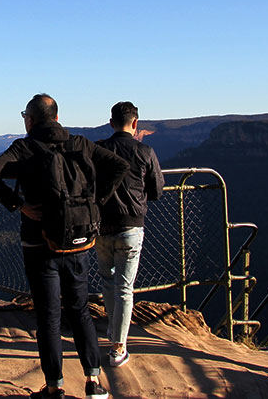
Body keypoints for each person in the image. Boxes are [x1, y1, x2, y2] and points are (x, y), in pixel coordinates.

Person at [0, 94, 129, 399]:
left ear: (30, 120)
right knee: (80, 311)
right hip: (78, 241)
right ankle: (94, 382)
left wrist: (18, 204)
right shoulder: (80, 143)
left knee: (49, 316)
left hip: (39, 242)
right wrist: (94, 203)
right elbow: (119, 165)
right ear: (58, 118)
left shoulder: (24, 147)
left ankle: (54, 387)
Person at [95, 101, 165, 367]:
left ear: (111, 122)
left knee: (108, 282)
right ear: (135, 124)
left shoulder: (99, 149)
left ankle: (114, 330)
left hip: (101, 226)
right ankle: (118, 347)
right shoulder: (145, 151)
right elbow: (157, 191)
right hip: (131, 226)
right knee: (125, 287)